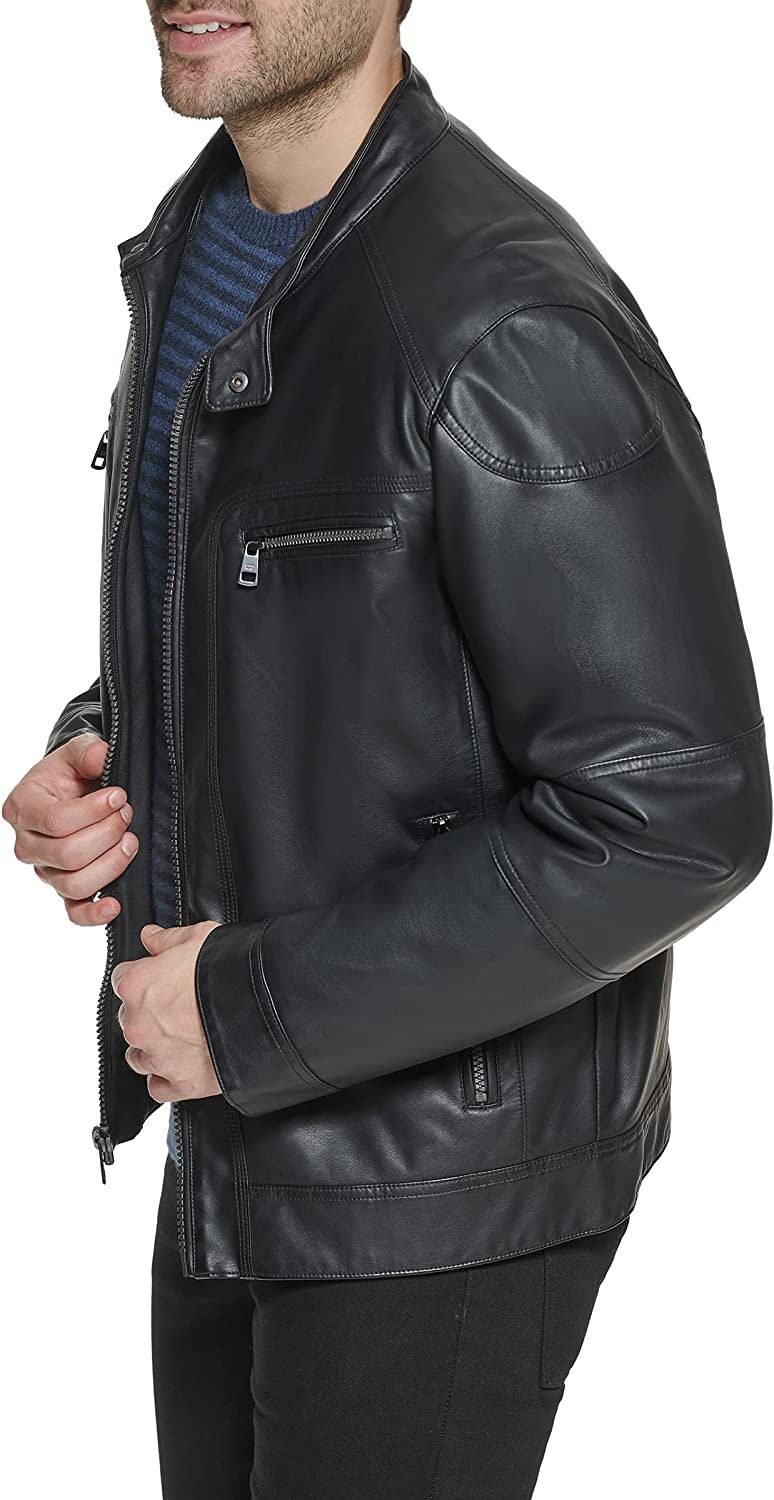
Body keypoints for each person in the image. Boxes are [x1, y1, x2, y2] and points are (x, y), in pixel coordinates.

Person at [3, 3, 771, 1496]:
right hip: (235, 1137)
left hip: (431, 1193)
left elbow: (677, 805)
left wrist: (249, 1008)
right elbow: (319, 644)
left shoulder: (506, 319)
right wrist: (98, 758)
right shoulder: (213, 246)